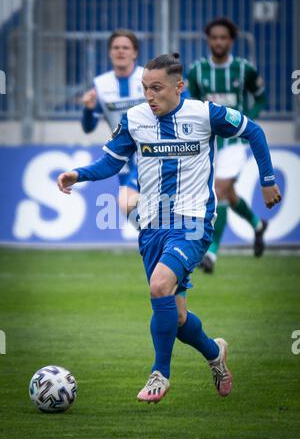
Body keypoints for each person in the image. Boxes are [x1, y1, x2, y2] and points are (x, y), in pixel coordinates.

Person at [58, 53, 281, 404]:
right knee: (175, 316)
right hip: (152, 226)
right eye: (145, 88)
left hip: (193, 222)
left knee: (159, 285)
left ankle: (159, 374)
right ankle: (214, 354)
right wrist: (79, 175)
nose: (149, 95)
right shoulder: (134, 119)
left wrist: (267, 180)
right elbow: (110, 162)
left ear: (179, 87)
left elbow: (254, 130)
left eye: (157, 88)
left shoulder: (205, 113)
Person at [188, 18, 268, 273]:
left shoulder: (245, 69)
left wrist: (248, 121)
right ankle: (257, 224)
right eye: (214, 37)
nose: (219, 42)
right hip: (208, 142)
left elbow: (261, 97)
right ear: (209, 40)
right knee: (227, 194)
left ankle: (211, 253)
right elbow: (191, 104)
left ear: (231, 41)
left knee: (220, 189)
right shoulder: (197, 71)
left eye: (223, 37)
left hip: (234, 142)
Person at [81, 29, 144, 221]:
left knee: (128, 202)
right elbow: (88, 127)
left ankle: (166, 243)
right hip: (123, 154)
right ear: (109, 53)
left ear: (135, 53)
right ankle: (160, 244)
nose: (120, 51)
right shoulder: (101, 84)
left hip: (149, 149)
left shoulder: (147, 77)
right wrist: (88, 109)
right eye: (116, 47)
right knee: (132, 209)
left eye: (126, 47)